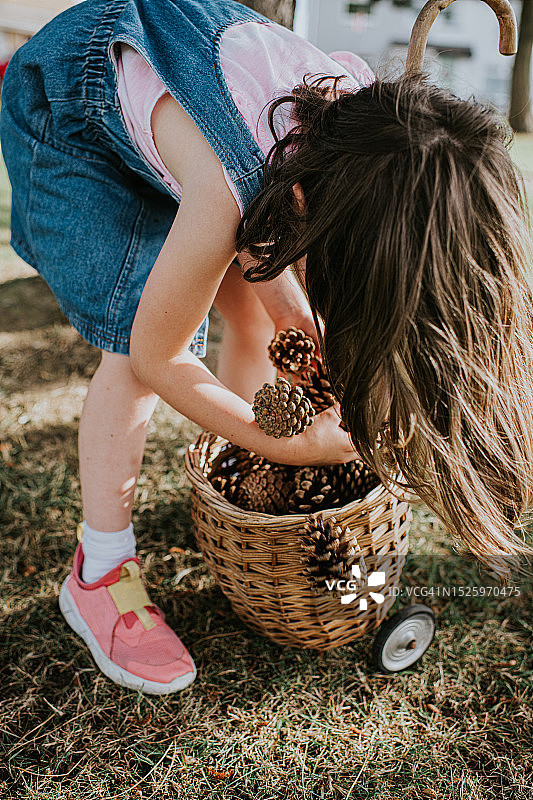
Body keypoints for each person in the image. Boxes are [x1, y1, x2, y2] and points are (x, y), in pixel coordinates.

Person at [1, 0, 532, 695]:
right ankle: (100, 571)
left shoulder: (366, 128)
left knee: (258, 316)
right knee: (133, 351)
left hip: (190, 115)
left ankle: (242, 479)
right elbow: (163, 357)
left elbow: (262, 196)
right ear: (316, 209)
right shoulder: (236, 187)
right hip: (72, 103)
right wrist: (293, 447)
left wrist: (292, 317)